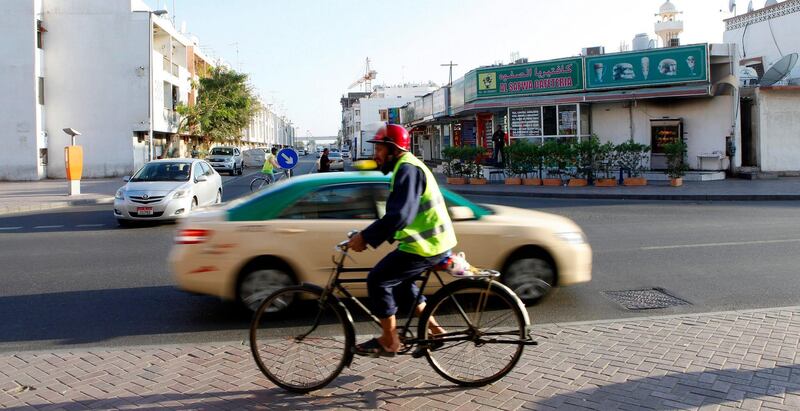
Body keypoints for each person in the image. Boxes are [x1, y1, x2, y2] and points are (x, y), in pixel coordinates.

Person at [347, 124, 457, 357]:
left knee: (378, 279)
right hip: (426, 242)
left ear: (392, 148)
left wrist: (366, 237)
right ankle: (437, 332)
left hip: (427, 245)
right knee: (403, 284)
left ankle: (389, 340)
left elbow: (400, 215)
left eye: (379, 149)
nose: (375, 155)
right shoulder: (405, 167)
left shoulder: (407, 169)